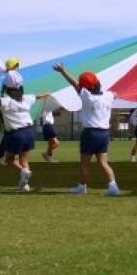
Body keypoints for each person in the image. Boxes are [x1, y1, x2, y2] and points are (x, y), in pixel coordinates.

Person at [53, 64, 120, 196]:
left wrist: (63, 71)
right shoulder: (108, 95)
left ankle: (82, 187)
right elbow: (115, 94)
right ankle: (113, 186)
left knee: (85, 163)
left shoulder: (86, 96)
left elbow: (74, 84)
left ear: (85, 87)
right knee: (103, 162)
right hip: (104, 134)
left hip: (90, 134)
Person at [0, 70, 36, 191]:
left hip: (16, 133)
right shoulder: (27, 98)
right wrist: (48, 93)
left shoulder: (6, 101)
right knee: (24, 158)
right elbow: (38, 95)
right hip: (29, 131)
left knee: (9, 159)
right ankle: (25, 185)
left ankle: (23, 171)